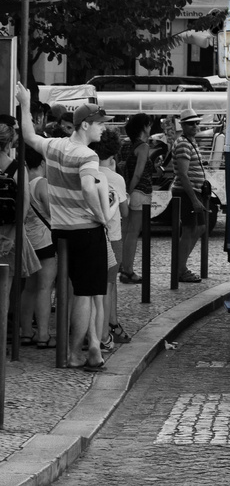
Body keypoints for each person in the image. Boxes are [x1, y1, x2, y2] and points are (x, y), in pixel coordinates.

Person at [16, 87, 111, 371]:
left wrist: (23, 104)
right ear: (85, 125)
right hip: (87, 230)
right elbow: (86, 187)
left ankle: (94, 346)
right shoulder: (87, 156)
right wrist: (101, 215)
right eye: (100, 124)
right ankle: (73, 354)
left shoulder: (55, 145)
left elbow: (30, 136)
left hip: (61, 231)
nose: (103, 130)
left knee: (83, 289)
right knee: (85, 294)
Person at [0, 118, 44, 345]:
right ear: (9, 144)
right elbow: (25, 205)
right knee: (5, 290)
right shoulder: (17, 169)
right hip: (9, 235)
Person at [89, 128, 130, 349]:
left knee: (92, 287)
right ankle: (106, 330)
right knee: (108, 285)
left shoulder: (87, 172)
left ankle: (97, 330)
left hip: (91, 233)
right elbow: (124, 212)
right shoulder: (116, 179)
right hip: (112, 236)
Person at [22, 145, 57, 349]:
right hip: (45, 242)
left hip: (29, 241)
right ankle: (43, 334)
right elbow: (54, 214)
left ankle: (26, 332)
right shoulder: (41, 184)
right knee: (45, 288)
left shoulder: (23, 182)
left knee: (29, 288)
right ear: (43, 163)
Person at [171, 107, 207, 283]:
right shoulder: (184, 143)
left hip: (193, 191)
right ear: (183, 125)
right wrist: (193, 199)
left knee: (199, 228)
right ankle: (180, 269)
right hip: (187, 193)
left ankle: (180, 266)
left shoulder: (189, 142)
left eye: (197, 123)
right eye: (191, 124)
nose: (195, 126)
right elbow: (183, 174)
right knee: (189, 230)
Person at [121, 112, 154, 285]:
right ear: (144, 127)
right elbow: (138, 173)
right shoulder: (143, 147)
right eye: (149, 125)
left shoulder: (126, 146)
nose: (150, 128)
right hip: (139, 192)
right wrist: (130, 191)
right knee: (133, 233)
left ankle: (123, 266)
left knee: (125, 232)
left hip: (128, 191)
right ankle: (128, 271)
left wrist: (125, 192)